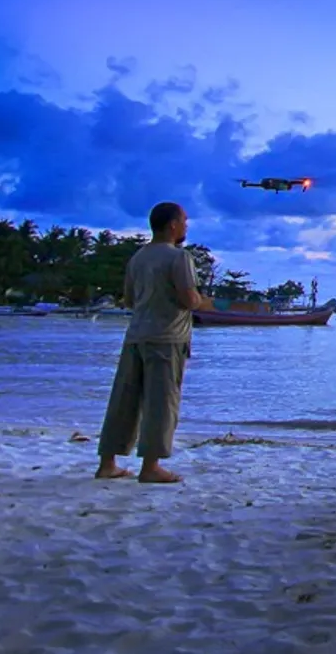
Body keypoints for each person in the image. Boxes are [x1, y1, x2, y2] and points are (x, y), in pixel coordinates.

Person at [93, 201, 207, 484]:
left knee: (123, 401)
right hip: (167, 339)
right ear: (173, 225)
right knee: (161, 402)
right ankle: (151, 467)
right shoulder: (179, 258)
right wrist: (202, 301)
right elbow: (188, 299)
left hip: (136, 336)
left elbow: (129, 300)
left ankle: (107, 462)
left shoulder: (138, 257)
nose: (186, 226)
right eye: (184, 221)